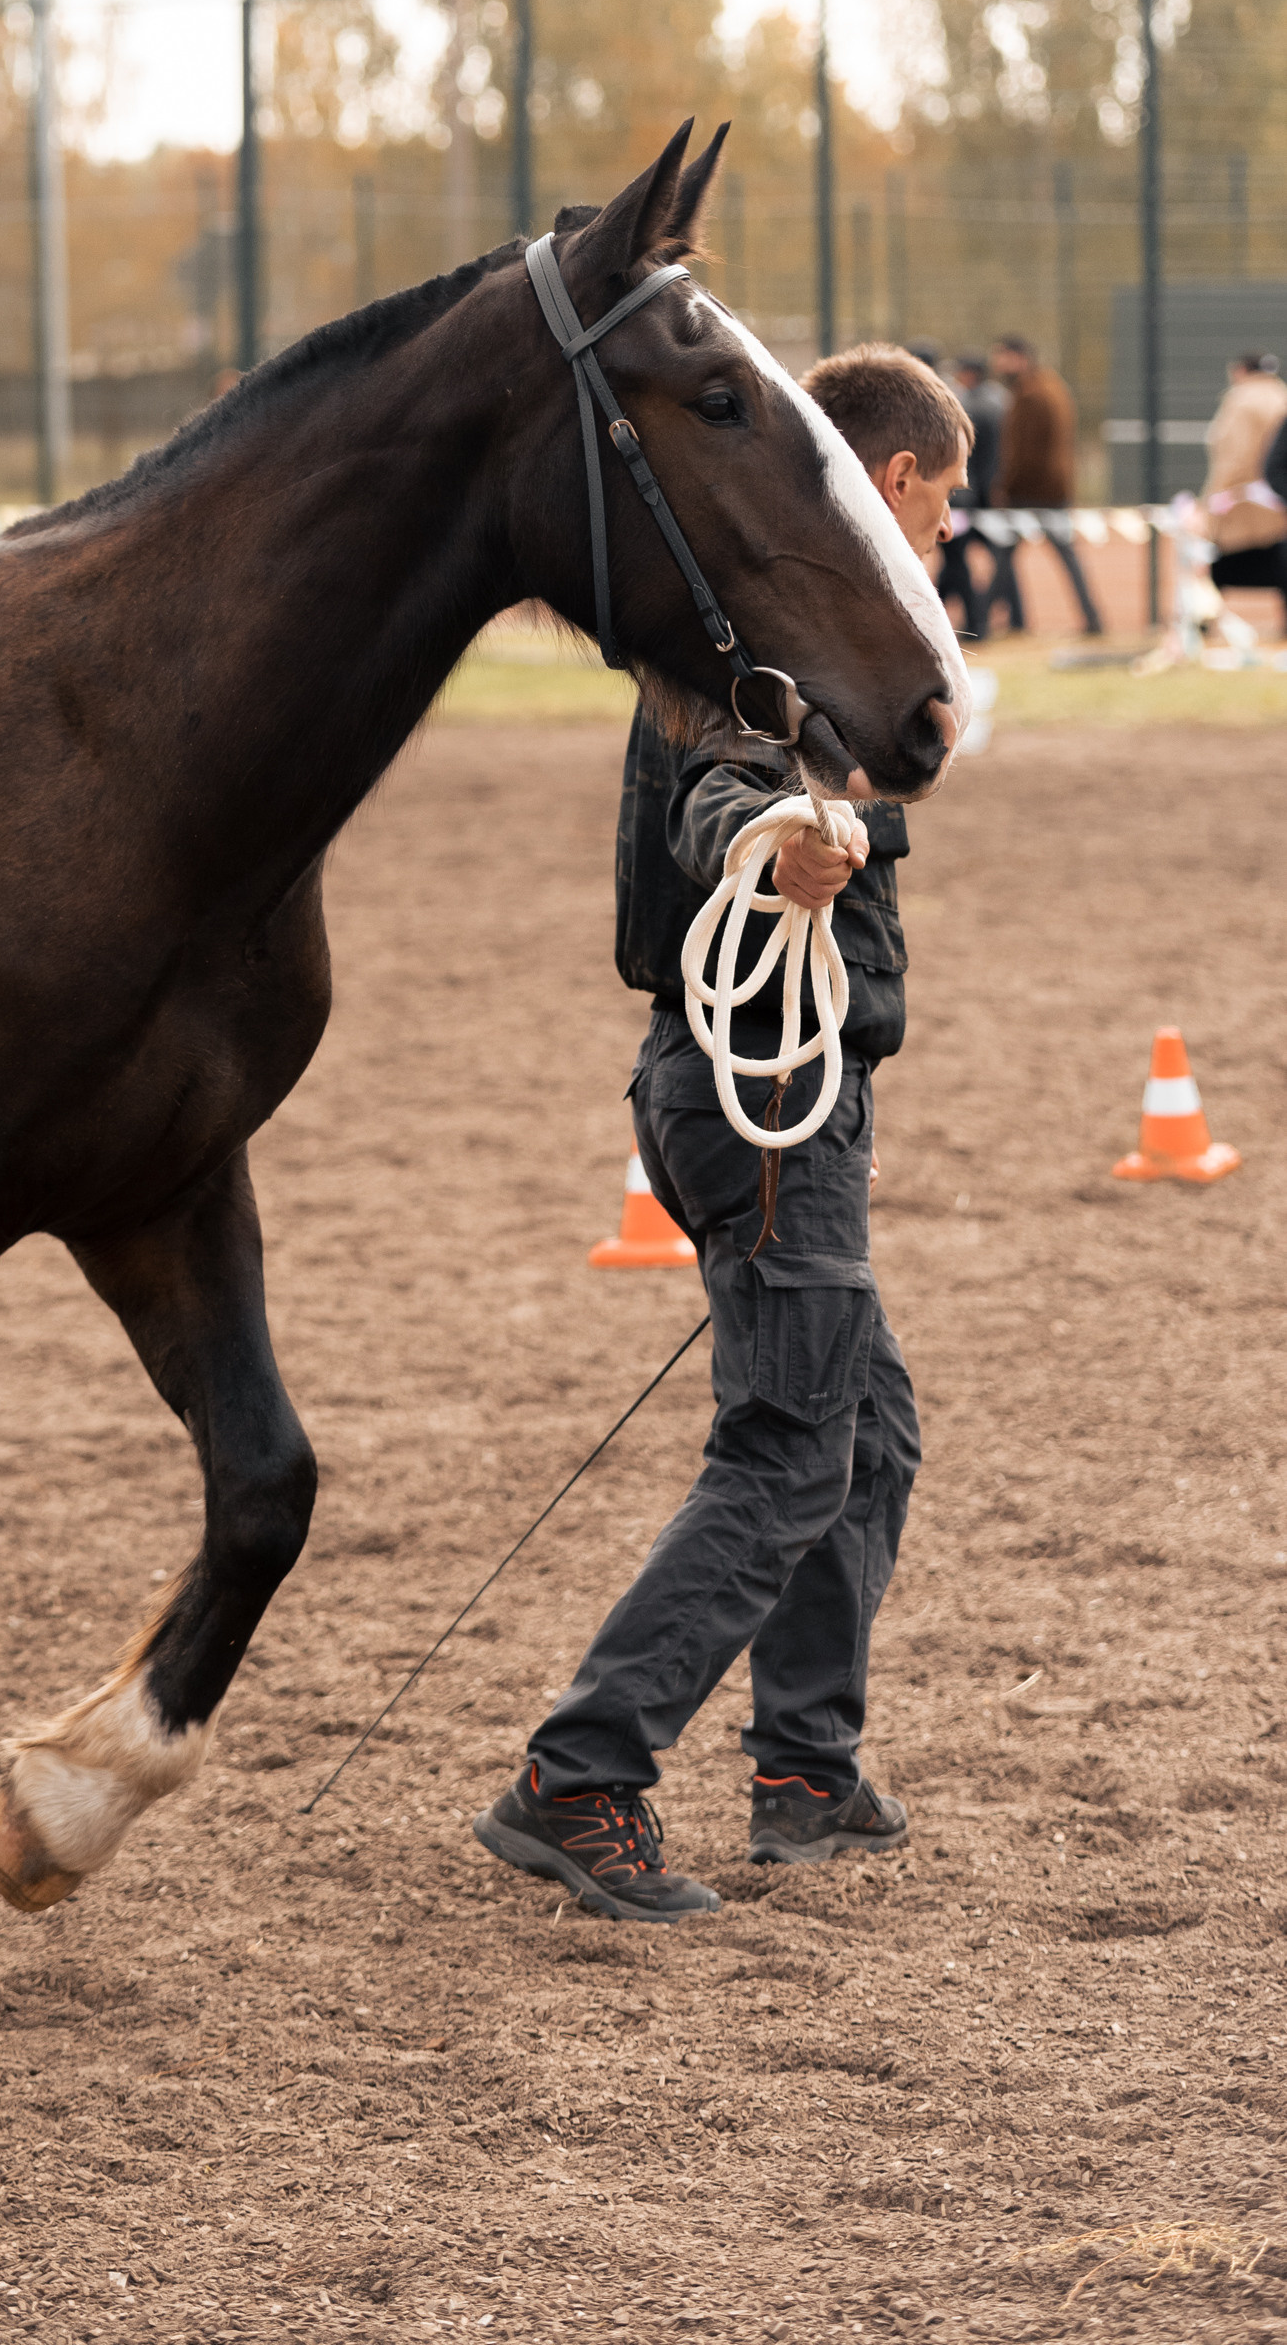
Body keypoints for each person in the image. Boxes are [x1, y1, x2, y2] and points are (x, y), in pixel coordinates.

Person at [473, 346, 970, 1923]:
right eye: (944, 509)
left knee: (864, 1433)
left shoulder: (782, 628)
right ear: (888, 480)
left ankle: (801, 1774)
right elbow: (724, 796)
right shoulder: (760, 647)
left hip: (752, 1092)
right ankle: (582, 1774)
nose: (946, 542)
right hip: (760, 1101)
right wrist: (787, 844)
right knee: (784, 1450)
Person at [991, 335, 1101, 635]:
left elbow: (1022, 453)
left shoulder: (1030, 395)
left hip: (1032, 491)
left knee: (1003, 554)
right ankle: (1093, 619)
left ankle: (980, 620)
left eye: (1001, 357)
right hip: (1054, 488)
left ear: (1020, 358)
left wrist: (1005, 487)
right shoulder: (1052, 386)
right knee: (1061, 557)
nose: (997, 364)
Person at [1203, 354, 1287, 625]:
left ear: (1240, 371)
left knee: (1212, 567)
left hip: (1244, 504)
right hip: (1278, 504)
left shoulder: (1240, 401)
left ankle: (1201, 624)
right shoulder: (1281, 395)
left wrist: (1213, 501)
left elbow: (1234, 458)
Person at [938, 352, 1012, 640]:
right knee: (963, 558)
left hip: (961, 497)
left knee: (956, 560)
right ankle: (985, 620)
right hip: (977, 495)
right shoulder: (996, 403)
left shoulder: (964, 406)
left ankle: (976, 623)